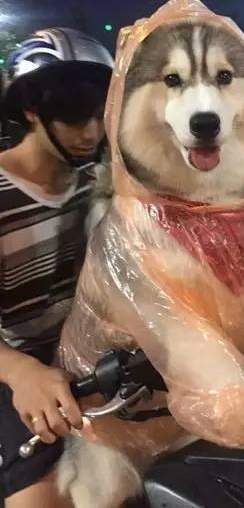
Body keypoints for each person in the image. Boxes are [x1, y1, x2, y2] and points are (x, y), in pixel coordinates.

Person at [0, 28, 113, 507]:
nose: (89, 133)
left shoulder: (104, 185)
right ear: (31, 109)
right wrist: (21, 371)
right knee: (44, 498)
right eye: (72, 116)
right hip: (16, 370)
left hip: (95, 361)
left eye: (98, 116)